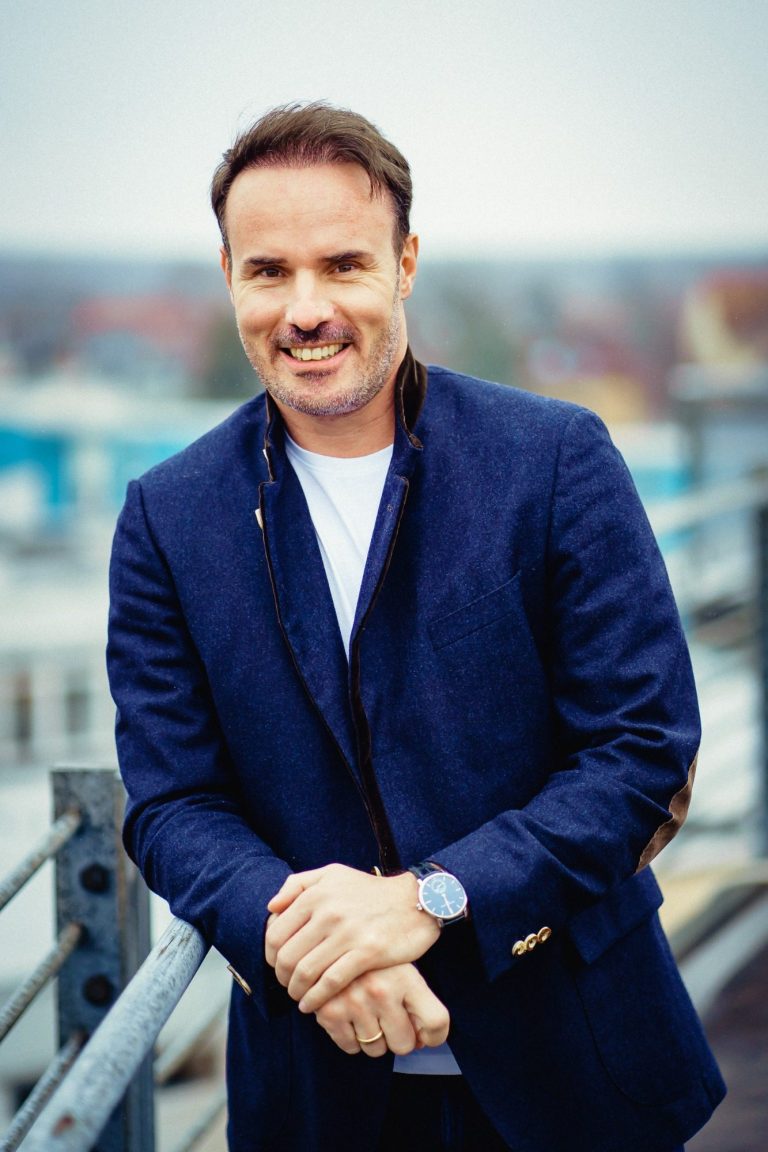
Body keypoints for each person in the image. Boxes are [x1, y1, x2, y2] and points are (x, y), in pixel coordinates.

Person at [107, 102, 725, 1152]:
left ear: (404, 264)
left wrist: (430, 901)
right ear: (228, 277)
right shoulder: (167, 517)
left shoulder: (554, 460)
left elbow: (641, 753)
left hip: (574, 1067)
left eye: (344, 264)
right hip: (319, 1086)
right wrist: (312, 946)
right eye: (269, 272)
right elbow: (172, 801)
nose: (306, 309)